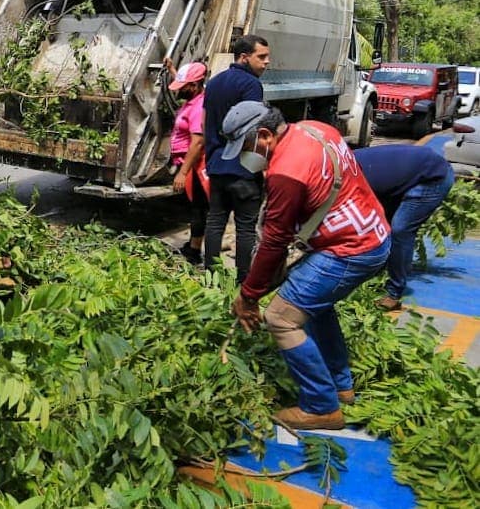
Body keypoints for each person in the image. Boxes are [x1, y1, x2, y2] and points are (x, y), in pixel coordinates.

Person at [223, 101, 391, 430]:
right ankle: (341, 387)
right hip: (373, 233)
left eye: (246, 146)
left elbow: (274, 243)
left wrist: (249, 297)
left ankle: (320, 406)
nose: (245, 156)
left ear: (265, 135)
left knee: (281, 318)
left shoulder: (287, 172)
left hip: (351, 249)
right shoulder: (317, 129)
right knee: (311, 305)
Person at [202, 34, 271, 282]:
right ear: (244, 58)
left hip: (217, 166)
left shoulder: (214, 82)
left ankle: (210, 278)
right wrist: (261, 167)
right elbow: (253, 128)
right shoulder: (251, 85)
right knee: (245, 228)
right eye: (261, 57)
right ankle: (243, 284)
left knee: (215, 222)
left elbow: (204, 122)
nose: (266, 62)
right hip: (242, 168)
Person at [354, 145, 455, 311]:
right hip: (405, 177)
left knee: (400, 229)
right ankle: (376, 272)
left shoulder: (349, 178)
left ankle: (394, 293)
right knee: (379, 225)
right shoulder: (341, 166)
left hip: (433, 178)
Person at [165, 60, 209, 264]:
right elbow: (183, 83)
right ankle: (193, 245)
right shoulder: (194, 97)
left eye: (182, 87)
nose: (178, 91)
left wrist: (183, 172)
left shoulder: (199, 107)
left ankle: (194, 252)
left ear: (195, 85)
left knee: (198, 208)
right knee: (195, 207)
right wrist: (173, 71)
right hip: (188, 162)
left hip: (196, 165)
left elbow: (198, 142)